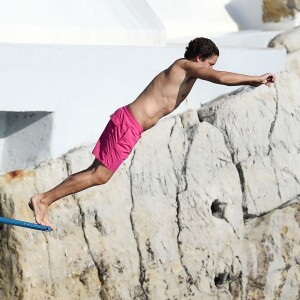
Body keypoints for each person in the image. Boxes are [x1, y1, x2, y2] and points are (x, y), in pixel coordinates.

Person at [29, 37, 276, 229]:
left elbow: (215, 74)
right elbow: (220, 77)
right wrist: (254, 79)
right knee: (100, 176)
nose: (211, 69)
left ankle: (44, 200)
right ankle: (43, 200)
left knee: (96, 174)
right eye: (210, 63)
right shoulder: (184, 66)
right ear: (199, 58)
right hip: (128, 124)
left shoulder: (187, 74)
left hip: (129, 125)